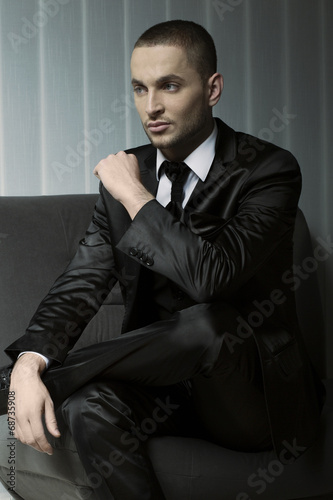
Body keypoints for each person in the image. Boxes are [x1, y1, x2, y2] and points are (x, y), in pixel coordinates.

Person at [1, 19, 324, 499]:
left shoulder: (268, 170)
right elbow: (82, 282)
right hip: (161, 391)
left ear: (212, 89)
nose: (150, 107)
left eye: (170, 86)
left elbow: (211, 279)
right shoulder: (128, 175)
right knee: (89, 406)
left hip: (250, 399)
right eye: (139, 88)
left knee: (210, 324)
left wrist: (134, 194)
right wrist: (29, 362)